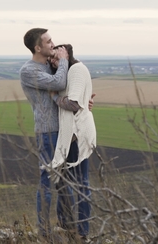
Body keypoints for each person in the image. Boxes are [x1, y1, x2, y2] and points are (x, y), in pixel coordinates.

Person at [19, 28, 72, 238]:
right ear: (37, 47)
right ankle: (44, 231)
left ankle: (66, 226)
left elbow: (65, 89)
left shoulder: (51, 66)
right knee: (47, 181)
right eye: (48, 42)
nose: (53, 44)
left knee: (65, 181)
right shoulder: (29, 71)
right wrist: (64, 60)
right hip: (48, 132)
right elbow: (59, 83)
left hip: (64, 130)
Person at [49, 44, 96, 240]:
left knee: (80, 183)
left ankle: (82, 231)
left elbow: (74, 104)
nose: (54, 59)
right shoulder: (69, 73)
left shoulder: (76, 69)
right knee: (64, 180)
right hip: (71, 134)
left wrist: (54, 97)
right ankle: (66, 224)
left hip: (77, 134)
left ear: (68, 54)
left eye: (58, 54)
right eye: (52, 57)